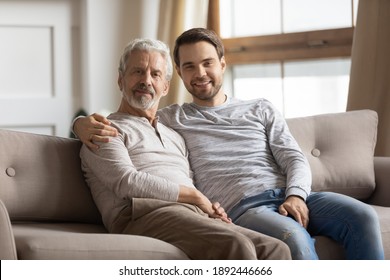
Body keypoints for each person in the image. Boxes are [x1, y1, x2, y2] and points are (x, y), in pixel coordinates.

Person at [75, 28, 384, 260]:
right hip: (236, 208)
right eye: (190, 67)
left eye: (208, 63)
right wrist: (80, 123)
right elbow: (121, 163)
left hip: (278, 197)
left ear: (222, 64)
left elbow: (294, 158)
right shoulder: (172, 119)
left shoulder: (250, 110)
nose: (200, 74)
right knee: (292, 239)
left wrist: (297, 195)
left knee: (362, 217)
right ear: (181, 76)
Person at [79, 37, 291, 260]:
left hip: (193, 214)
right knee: (236, 245)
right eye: (137, 72)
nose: (146, 81)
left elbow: (189, 180)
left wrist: (210, 207)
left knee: (276, 249)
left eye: (155, 74)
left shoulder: (173, 134)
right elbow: (126, 182)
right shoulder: (104, 131)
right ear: (120, 80)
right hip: (141, 214)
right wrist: (195, 197)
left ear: (165, 87)